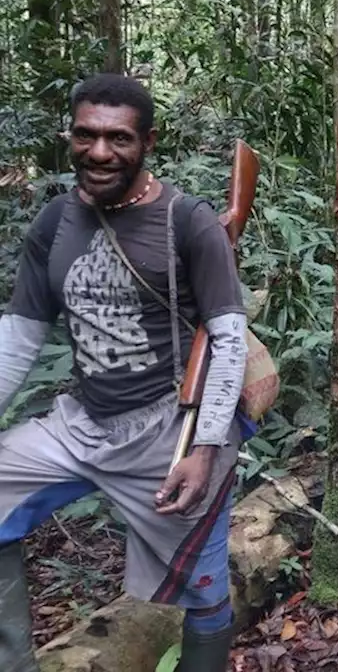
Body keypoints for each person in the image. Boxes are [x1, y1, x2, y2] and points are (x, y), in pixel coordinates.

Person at [0, 73, 248, 672]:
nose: (100, 152)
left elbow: (228, 340)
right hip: (82, 422)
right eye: (86, 136)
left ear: (148, 142)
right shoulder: (54, 221)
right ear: (70, 136)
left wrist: (206, 446)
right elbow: (19, 337)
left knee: (205, 589)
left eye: (118, 139)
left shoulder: (186, 220)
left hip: (171, 431)